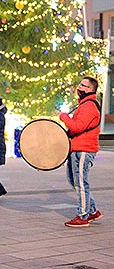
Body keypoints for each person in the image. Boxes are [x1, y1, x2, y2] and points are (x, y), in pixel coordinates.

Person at [59, 75, 102, 227]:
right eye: (80, 85)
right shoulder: (84, 104)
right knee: (74, 180)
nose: (80, 88)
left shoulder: (89, 106)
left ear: (91, 89)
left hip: (84, 149)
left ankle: (83, 216)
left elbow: (77, 127)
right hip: (76, 148)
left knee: (81, 182)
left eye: (84, 86)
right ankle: (93, 211)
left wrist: (64, 117)